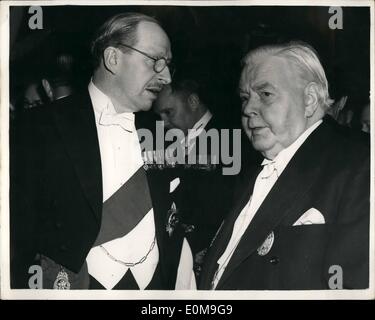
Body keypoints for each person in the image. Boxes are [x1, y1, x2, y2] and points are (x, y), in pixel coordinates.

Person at [10, 12, 195, 290]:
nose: (166, 76)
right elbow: (15, 237)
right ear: (113, 59)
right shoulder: (40, 127)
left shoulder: (166, 136)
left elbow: (174, 232)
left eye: (168, 65)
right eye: (155, 61)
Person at [199, 42, 370, 290]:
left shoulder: (359, 164)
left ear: (309, 100)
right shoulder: (254, 172)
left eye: (265, 94)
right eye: (245, 97)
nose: (247, 108)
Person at [153, 75, 236, 279]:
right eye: (160, 116)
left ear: (192, 101)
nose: (163, 123)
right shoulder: (175, 144)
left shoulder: (228, 136)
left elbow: (224, 206)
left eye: (169, 112)